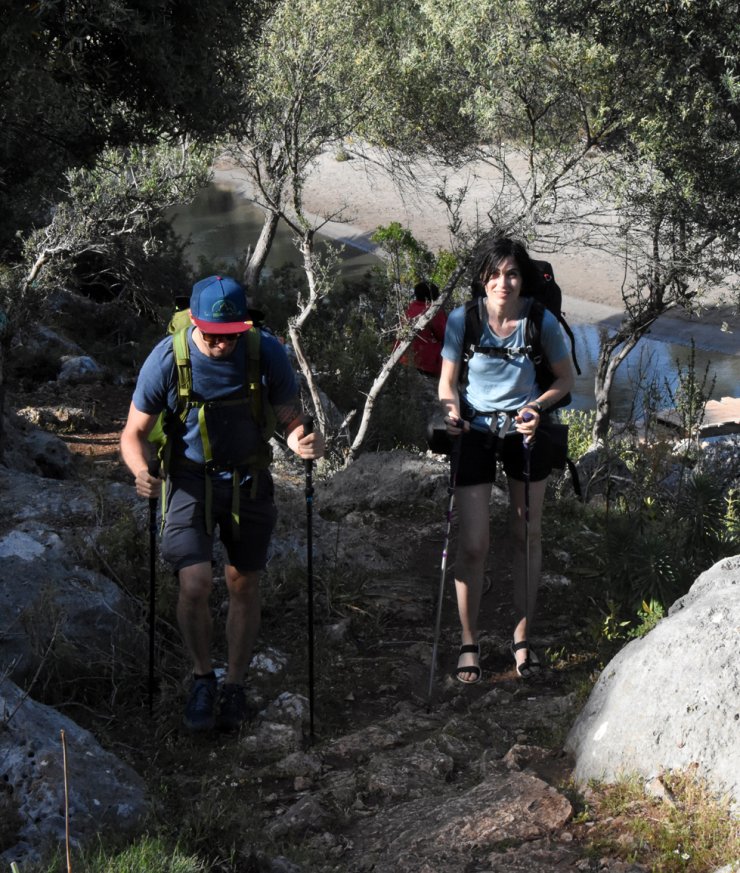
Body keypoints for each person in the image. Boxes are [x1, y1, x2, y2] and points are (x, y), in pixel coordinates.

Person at [120, 275, 324, 731]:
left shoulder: (263, 350)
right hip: (189, 482)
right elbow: (132, 433)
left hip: (249, 481)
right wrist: (140, 472)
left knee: (242, 584)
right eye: (211, 334)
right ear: (194, 322)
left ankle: (233, 684)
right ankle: (201, 678)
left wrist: (301, 440)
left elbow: (291, 417)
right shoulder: (168, 358)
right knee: (194, 583)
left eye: (230, 335)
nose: (219, 344)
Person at [438, 238, 574, 683]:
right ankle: (468, 641)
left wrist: (537, 407)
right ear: (482, 278)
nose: (503, 282)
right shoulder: (464, 320)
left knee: (526, 535)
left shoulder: (540, 320)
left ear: (523, 279)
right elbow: (447, 384)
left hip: (525, 433)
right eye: (494, 274)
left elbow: (565, 378)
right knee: (474, 543)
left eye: (512, 273)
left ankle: (522, 638)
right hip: (474, 432)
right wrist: (451, 412)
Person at [404, 281, 447, 378]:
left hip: (405, 359)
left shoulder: (411, 308)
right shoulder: (433, 312)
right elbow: (444, 335)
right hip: (427, 363)